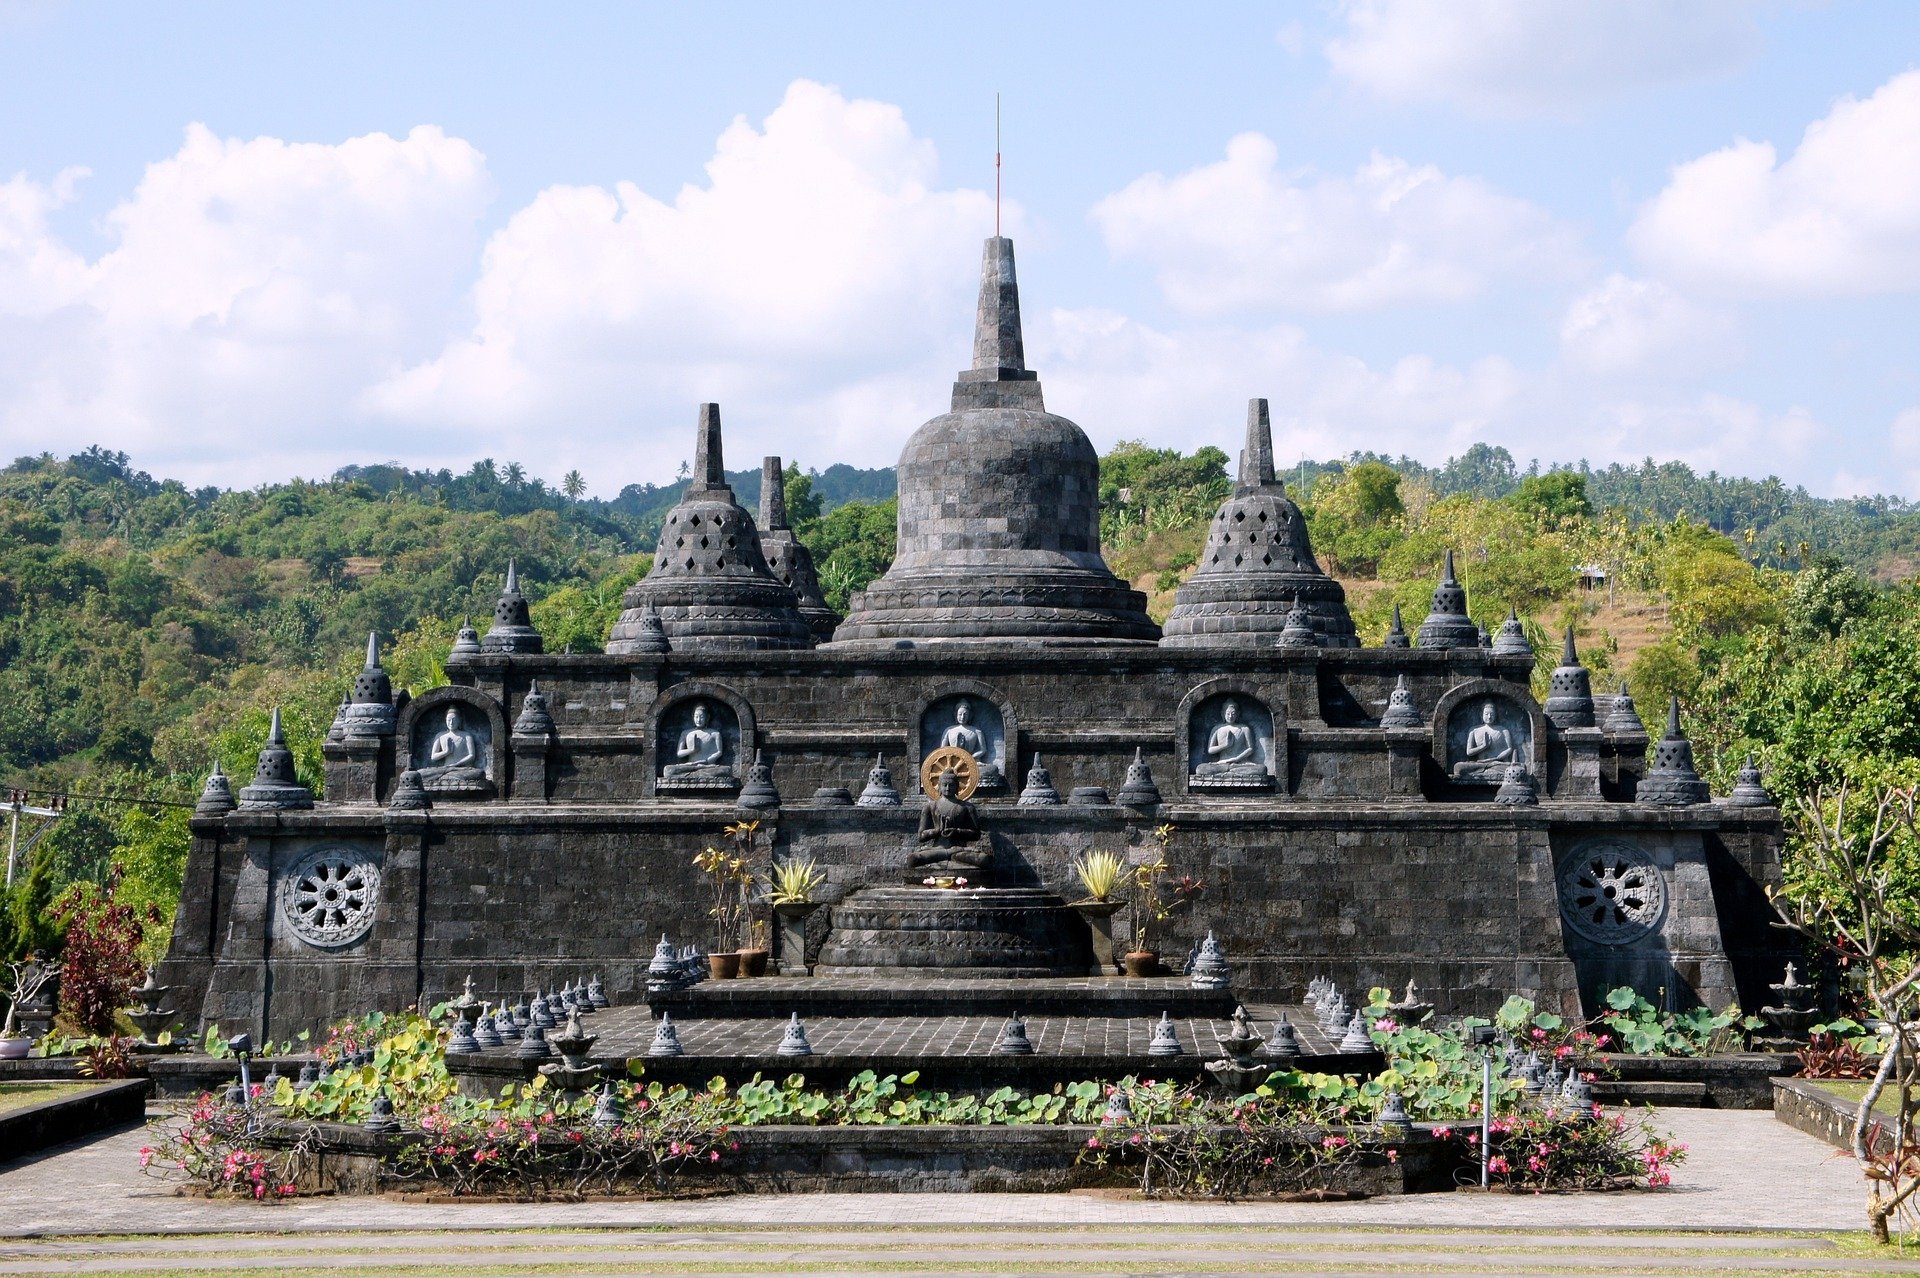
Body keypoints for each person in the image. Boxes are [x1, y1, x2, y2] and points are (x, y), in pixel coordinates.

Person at [910, 769, 992, 878]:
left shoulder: (967, 807)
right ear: (938, 786)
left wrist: (956, 832)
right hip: (938, 849)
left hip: (960, 849)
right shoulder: (930, 807)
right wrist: (936, 831)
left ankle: (950, 855)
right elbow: (921, 836)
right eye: (945, 785)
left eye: (951, 785)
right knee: (912, 859)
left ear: (957, 787)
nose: (948, 788)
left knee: (984, 859)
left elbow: (976, 834)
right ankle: (948, 854)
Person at [419, 706, 489, 789]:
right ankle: (448, 779)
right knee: (420, 773)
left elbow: (471, 756)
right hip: (444, 769)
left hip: (461, 770)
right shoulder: (440, 735)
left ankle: (446, 779)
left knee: (479, 773)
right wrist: (446, 752)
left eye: (454, 720)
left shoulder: (466, 735)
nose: (451, 723)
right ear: (445, 721)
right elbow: (433, 757)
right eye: (448, 720)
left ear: (459, 721)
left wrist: (457, 764)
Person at [939, 699, 1003, 784]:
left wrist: (970, 758)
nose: (962, 717)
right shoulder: (949, 730)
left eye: (965, 714)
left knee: (991, 769)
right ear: (955, 715)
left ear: (970, 716)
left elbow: (983, 750)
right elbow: (942, 750)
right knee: (942, 772)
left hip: (972, 762)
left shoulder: (976, 731)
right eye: (960, 714)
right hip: (951, 764)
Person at [1196, 699, 1262, 777]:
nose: (1230, 716)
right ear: (1222, 714)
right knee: (1201, 769)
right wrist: (1225, 745)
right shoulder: (1217, 728)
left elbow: (1250, 749)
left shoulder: (1244, 728)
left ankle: (1230, 771)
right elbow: (1210, 750)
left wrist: (1237, 759)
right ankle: (1230, 771)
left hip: (1240, 764)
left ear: (1238, 714)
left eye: (1233, 714)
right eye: (1228, 714)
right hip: (1222, 763)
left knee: (1261, 769)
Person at [663, 703, 730, 780]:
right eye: (696, 717)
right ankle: (696, 774)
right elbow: (679, 753)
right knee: (668, 770)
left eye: (701, 717)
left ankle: (692, 775)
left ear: (707, 718)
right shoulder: (686, 733)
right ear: (693, 717)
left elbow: (719, 752)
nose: (698, 720)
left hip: (707, 766)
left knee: (725, 770)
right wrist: (692, 750)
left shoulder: (715, 733)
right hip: (690, 765)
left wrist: (706, 761)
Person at [1455, 701, 1516, 780]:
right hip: (1479, 764)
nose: (1489, 717)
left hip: (1497, 764)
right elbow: (1469, 752)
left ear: (1496, 715)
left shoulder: (1503, 730)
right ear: (1481, 715)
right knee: (1458, 767)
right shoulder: (1474, 730)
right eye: (1486, 714)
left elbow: (1509, 748)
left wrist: (1498, 757)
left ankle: (1486, 771)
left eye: (1492, 714)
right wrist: (1484, 746)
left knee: (1516, 768)